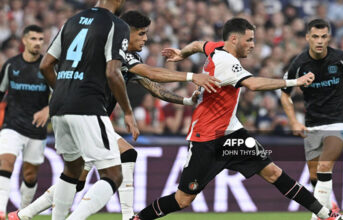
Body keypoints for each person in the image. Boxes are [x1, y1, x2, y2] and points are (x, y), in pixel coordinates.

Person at [131, 17, 342, 220]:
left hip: (232, 133)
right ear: (234, 39)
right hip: (206, 139)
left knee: (274, 173)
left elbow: (198, 44)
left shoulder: (216, 47)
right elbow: (254, 85)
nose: (252, 45)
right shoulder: (226, 62)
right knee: (183, 199)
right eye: (249, 40)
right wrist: (295, 82)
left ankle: (326, 215)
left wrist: (181, 54)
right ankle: (140, 218)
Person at [8, 10, 206, 220]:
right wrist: (192, 76)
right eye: (141, 34)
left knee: (76, 181)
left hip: (88, 115)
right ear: (126, 32)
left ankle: (22, 215)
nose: (145, 39)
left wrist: (186, 101)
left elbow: (153, 87)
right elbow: (150, 72)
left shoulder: (128, 58)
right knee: (126, 155)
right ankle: (127, 216)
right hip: (89, 115)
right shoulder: (116, 53)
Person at [38, 1, 139, 219]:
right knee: (113, 174)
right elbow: (113, 72)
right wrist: (129, 112)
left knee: (72, 170)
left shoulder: (71, 21)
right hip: (88, 104)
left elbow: (45, 65)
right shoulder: (117, 24)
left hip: (59, 104)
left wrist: (65, 90)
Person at [279, 19, 343, 220]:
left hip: (340, 120)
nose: (319, 41)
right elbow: (285, 94)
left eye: (323, 36)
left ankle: (317, 218)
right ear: (307, 37)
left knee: (325, 166)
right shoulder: (299, 64)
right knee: (315, 177)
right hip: (313, 124)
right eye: (315, 36)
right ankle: (331, 209)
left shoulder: (342, 58)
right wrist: (292, 120)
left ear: (329, 37)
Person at [0, 25, 49, 220]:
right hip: (12, 125)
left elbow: (61, 95)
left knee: (30, 175)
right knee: (5, 162)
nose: (37, 43)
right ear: (24, 40)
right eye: (34, 39)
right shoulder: (11, 65)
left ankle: (23, 212)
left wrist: (49, 109)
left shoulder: (47, 67)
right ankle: (1, 211)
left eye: (40, 39)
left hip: (36, 129)